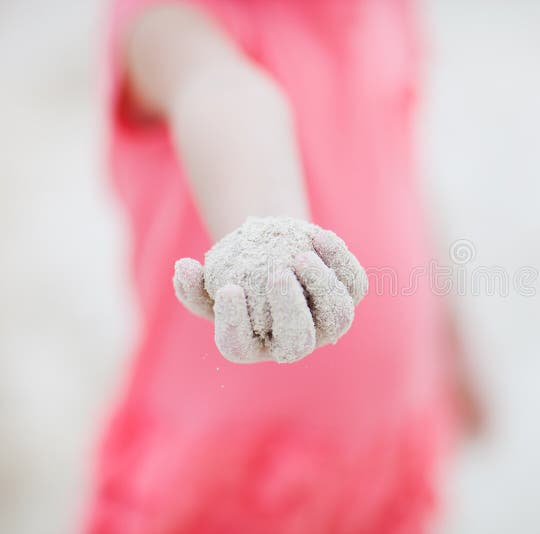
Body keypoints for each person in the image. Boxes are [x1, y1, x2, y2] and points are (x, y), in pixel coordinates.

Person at [86, 1, 477, 532]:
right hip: (232, 463)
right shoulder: (166, 26)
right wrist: (268, 232)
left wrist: (454, 345)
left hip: (385, 441)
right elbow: (225, 92)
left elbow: (399, 175)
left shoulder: (383, 14)